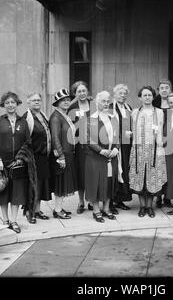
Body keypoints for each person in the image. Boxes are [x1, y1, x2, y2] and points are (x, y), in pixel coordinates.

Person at [0, 91, 32, 233]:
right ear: (3, 105)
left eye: (13, 102)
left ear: (17, 104)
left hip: (18, 164)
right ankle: (5, 220)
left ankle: (14, 221)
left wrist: (20, 158)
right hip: (2, 164)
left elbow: (28, 142)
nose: (10, 105)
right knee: (2, 191)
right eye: (7, 103)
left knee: (17, 193)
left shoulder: (23, 122)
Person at [129, 86, 167, 218]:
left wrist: (160, 149)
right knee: (140, 178)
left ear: (153, 97)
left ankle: (150, 207)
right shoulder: (135, 112)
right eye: (144, 95)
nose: (147, 97)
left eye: (149, 95)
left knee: (152, 178)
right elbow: (132, 132)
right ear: (140, 97)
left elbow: (161, 131)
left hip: (154, 149)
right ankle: (142, 206)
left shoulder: (159, 112)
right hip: (138, 149)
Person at [85, 91, 120, 223]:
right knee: (96, 183)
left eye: (107, 101)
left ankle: (106, 208)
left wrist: (116, 148)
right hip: (96, 157)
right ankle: (96, 210)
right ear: (97, 103)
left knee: (109, 182)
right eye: (103, 101)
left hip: (111, 156)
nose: (106, 104)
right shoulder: (90, 119)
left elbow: (118, 136)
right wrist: (100, 150)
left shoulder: (113, 118)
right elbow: (88, 139)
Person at [49, 88, 78, 219]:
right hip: (62, 155)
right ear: (57, 103)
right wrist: (60, 156)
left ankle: (59, 208)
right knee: (60, 184)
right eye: (63, 100)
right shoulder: (56, 117)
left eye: (68, 100)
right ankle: (57, 210)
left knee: (64, 182)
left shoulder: (64, 114)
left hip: (68, 153)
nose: (66, 102)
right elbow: (55, 138)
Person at [23, 92, 51, 221]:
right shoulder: (26, 117)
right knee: (32, 186)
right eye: (33, 100)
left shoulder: (42, 115)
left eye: (39, 100)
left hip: (43, 157)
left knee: (40, 185)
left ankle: (38, 210)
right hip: (33, 157)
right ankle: (30, 212)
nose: (37, 102)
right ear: (28, 102)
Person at [67, 81, 93, 214]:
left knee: (92, 173)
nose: (82, 93)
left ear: (87, 91)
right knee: (81, 173)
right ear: (75, 93)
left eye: (84, 90)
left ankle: (92, 200)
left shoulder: (94, 105)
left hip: (94, 145)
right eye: (79, 91)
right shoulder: (72, 107)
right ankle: (81, 201)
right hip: (80, 146)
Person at [109, 84, 133, 211]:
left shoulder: (128, 107)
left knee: (124, 170)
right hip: (115, 144)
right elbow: (108, 126)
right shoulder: (110, 108)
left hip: (127, 146)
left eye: (125, 94)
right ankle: (111, 201)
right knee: (115, 171)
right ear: (115, 94)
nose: (122, 96)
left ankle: (120, 200)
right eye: (120, 93)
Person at [152, 79, 173, 208]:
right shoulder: (154, 103)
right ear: (158, 90)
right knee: (158, 168)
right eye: (162, 88)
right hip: (157, 139)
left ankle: (168, 197)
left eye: (166, 87)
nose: (164, 90)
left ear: (170, 89)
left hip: (171, 139)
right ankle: (158, 196)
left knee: (169, 169)